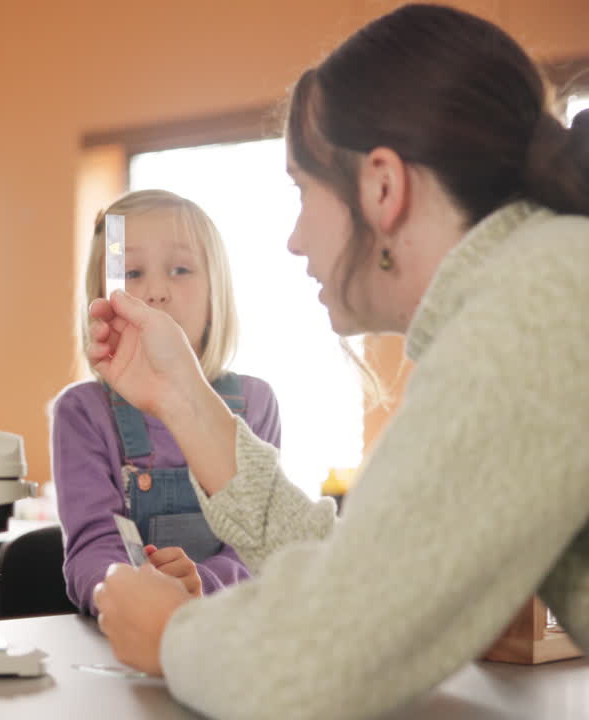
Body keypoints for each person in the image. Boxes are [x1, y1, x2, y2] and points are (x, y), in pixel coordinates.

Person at [91, 5, 589, 719]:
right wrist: (183, 397)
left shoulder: (533, 305)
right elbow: (380, 569)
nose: (294, 240)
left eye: (301, 189)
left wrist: (172, 635)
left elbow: (322, 662)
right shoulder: (541, 280)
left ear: (382, 186)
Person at [52, 190, 279, 613]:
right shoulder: (84, 412)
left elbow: (259, 548)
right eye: (132, 272)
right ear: (102, 300)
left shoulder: (254, 402)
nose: (155, 291)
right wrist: (131, 597)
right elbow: (91, 549)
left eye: (180, 269)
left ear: (216, 297)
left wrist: (202, 584)